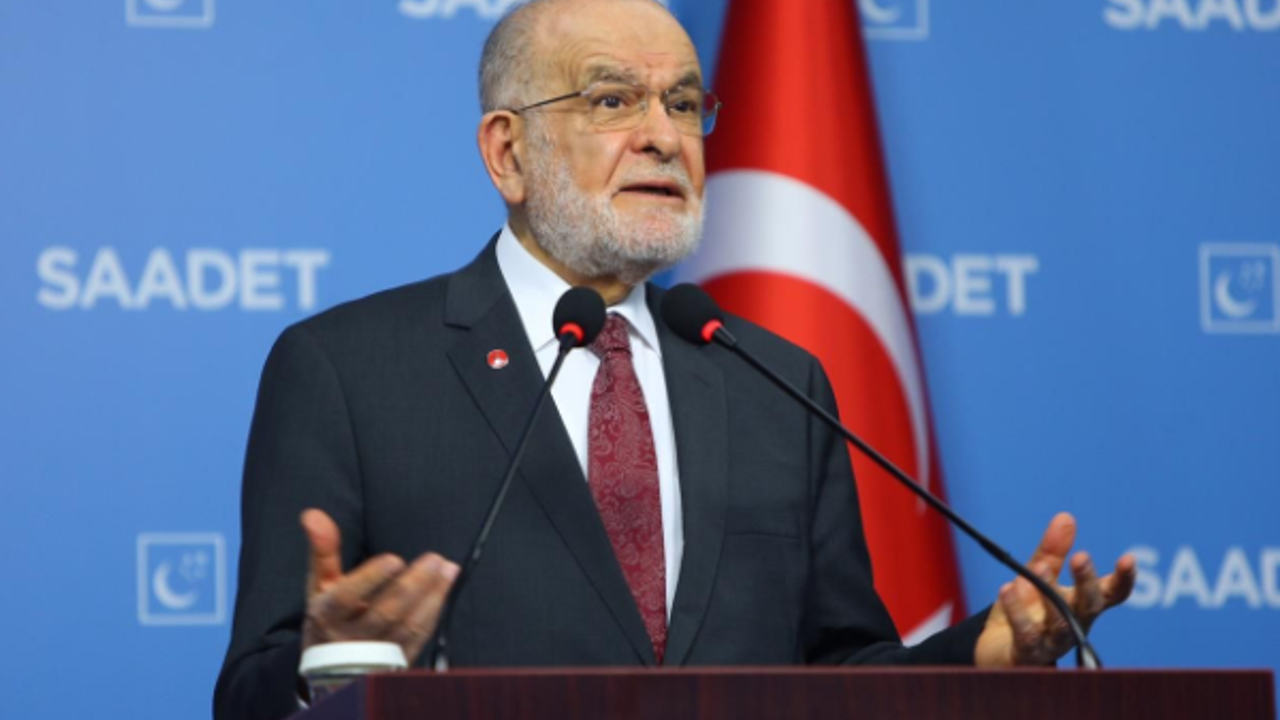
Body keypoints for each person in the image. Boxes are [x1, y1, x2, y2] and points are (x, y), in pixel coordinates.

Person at [213, 1, 1137, 718]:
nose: (663, 134)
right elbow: (250, 692)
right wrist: (327, 668)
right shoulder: (348, 371)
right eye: (612, 100)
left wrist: (986, 654)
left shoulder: (776, 381)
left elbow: (841, 673)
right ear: (508, 152)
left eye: (685, 103)